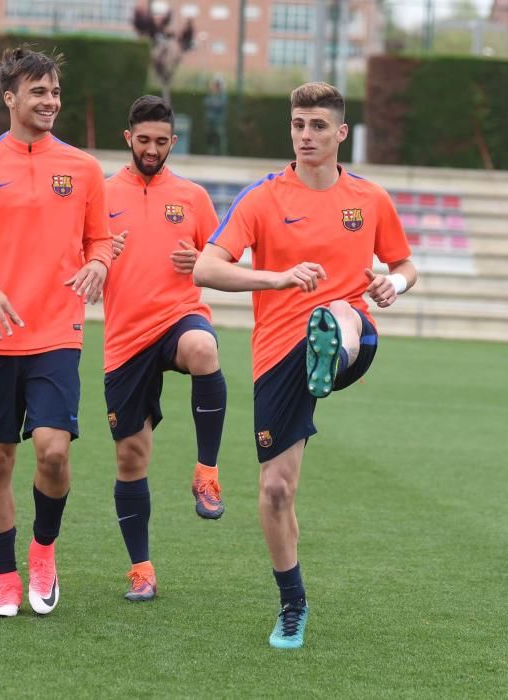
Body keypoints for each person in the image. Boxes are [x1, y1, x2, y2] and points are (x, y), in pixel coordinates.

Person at [193, 82, 417, 648]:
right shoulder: (263, 198)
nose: (306, 135)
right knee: (275, 489)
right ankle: (293, 603)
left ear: (341, 133)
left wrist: (392, 284)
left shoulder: (369, 199)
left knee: (338, 312)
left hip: (353, 333)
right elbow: (205, 269)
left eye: (318, 126)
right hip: (278, 354)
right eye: (298, 124)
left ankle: (332, 341)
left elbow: (405, 265)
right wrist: (275, 278)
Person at [0, 47, 112, 618]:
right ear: (10, 98)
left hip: (58, 332)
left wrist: (100, 265)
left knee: (53, 452)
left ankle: (43, 552)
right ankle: (6, 579)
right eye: (39, 92)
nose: (50, 102)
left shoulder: (83, 168)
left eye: (55, 92)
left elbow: (101, 241)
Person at [103, 95, 226, 602]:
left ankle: (207, 474)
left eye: (161, 142)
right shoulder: (100, 193)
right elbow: (73, 253)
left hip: (178, 318)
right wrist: (95, 255)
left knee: (203, 348)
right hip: (125, 338)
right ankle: (142, 570)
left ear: (172, 142)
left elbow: (220, 260)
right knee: (132, 457)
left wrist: (199, 258)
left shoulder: (193, 197)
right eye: (143, 140)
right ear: (128, 138)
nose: (152, 150)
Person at [203, 77, 227, 156]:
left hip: (218, 120)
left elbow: (220, 104)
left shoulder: (222, 95)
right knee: (210, 135)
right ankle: (211, 152)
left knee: (219, 135)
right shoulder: (211, 94)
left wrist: (213, 103)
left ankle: (222, 153)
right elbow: (206, 102)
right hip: (210, 119)